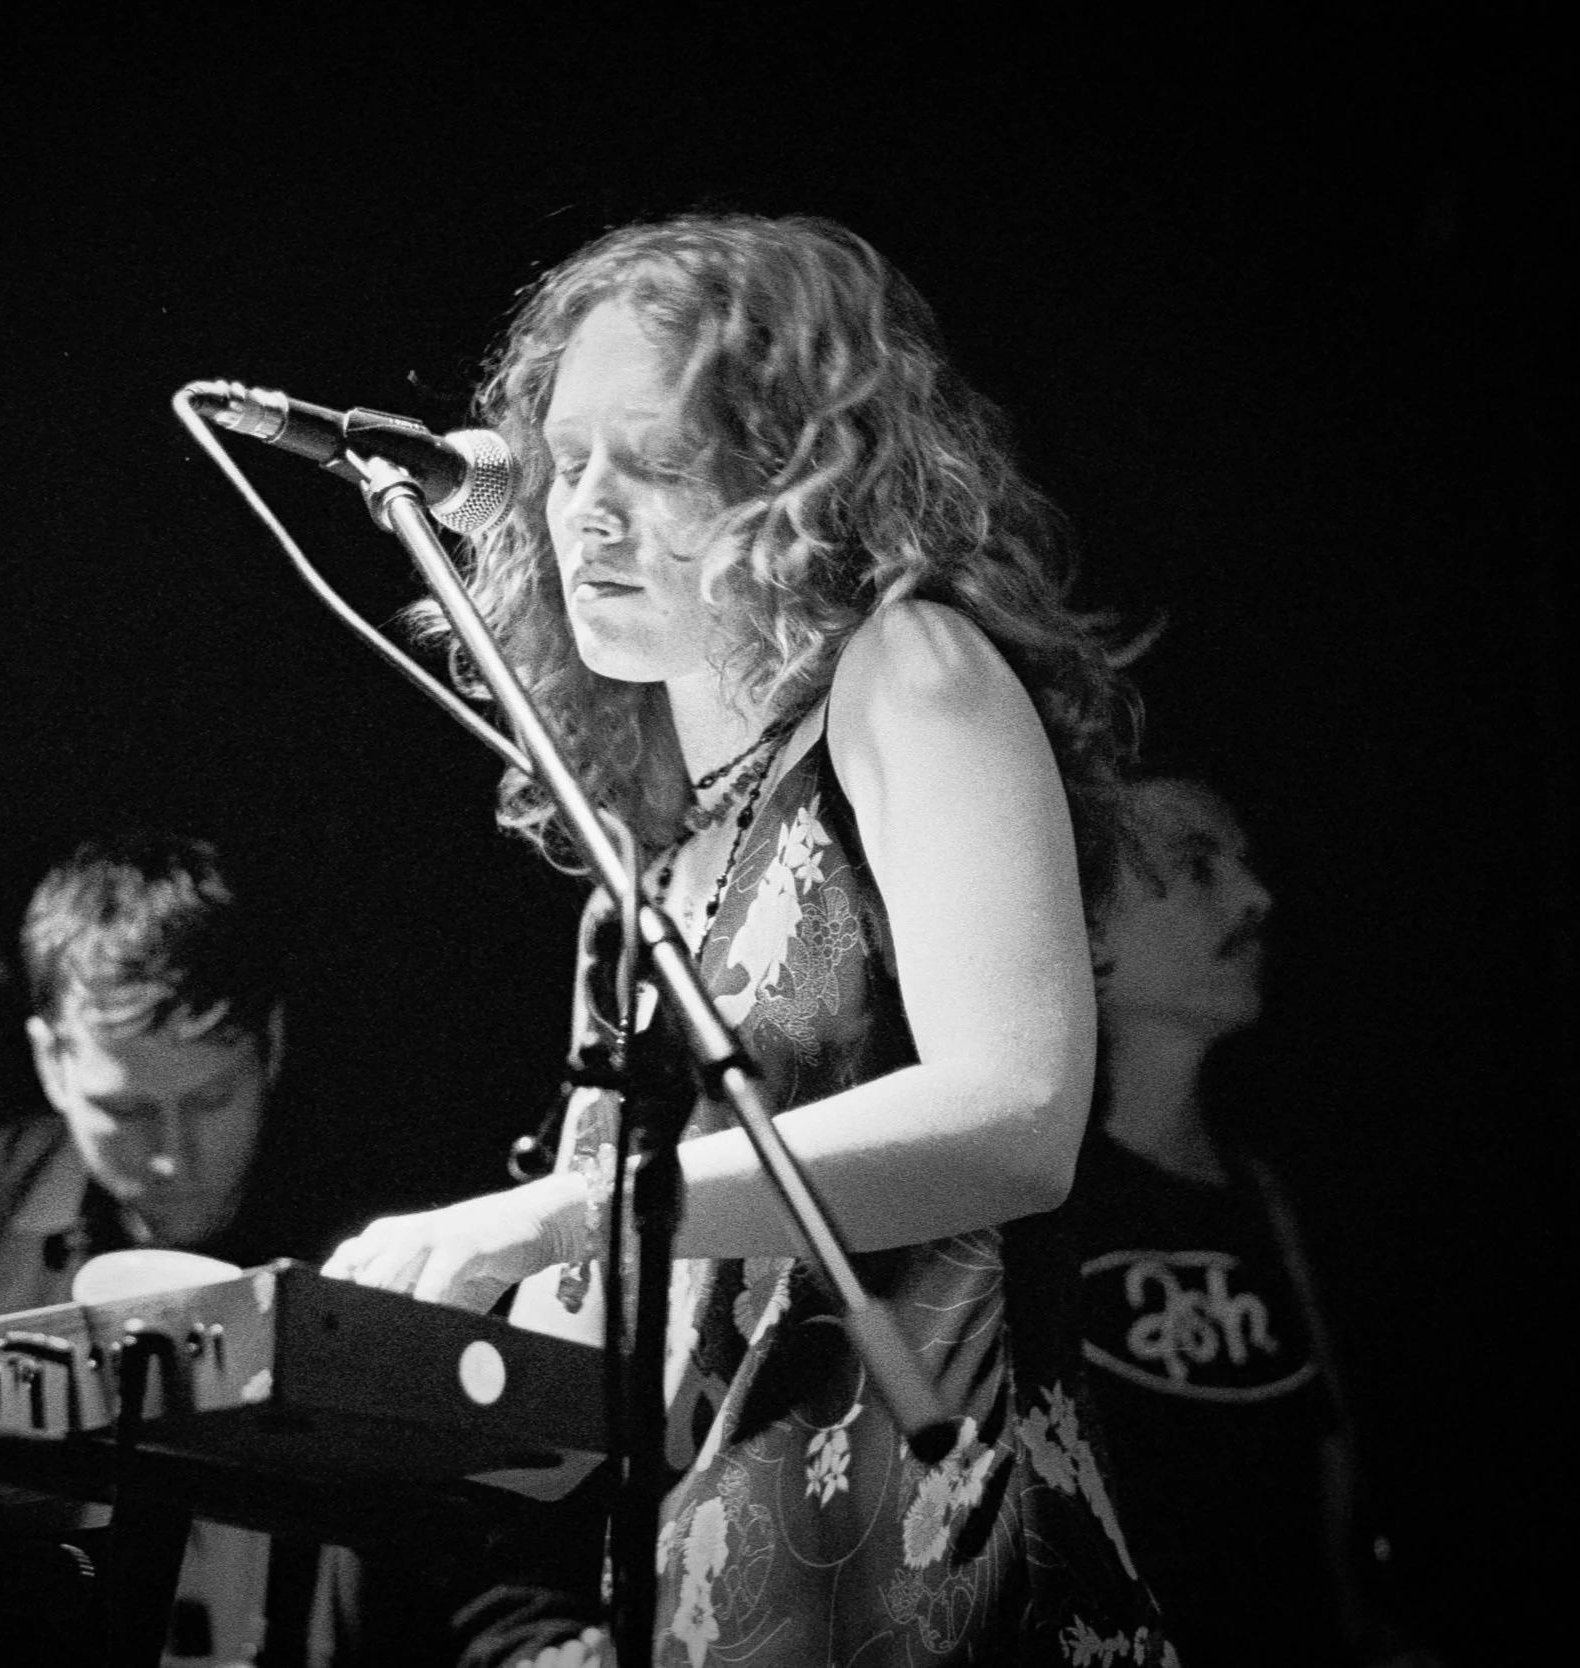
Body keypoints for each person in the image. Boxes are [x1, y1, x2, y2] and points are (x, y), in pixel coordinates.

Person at [323, 214, 1168, 1666]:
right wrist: (356, 1358)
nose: (583, 512)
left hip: (947, 1583)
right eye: (563, 460)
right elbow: (615, 1393)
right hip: (731, 1610)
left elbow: (1019, 1113)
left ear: (799, 477)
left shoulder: (908, 672)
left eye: (649, 465)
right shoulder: (640, 880)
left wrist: (555, 1213)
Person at [1038, 773, 1440, 1666]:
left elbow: (1328, 1471)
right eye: (1196, 866)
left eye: (1244, 866)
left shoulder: (1273, 1199)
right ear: (1087, 927)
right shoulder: (1034, 1204)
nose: (1257, 897)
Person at [0, 829, 317, 1667]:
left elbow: (474, 1564)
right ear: (51, 1062)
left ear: (272, 1046)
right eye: (127, 1112)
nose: (173, 1155)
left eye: (210, 1099)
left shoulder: (378, 1229)